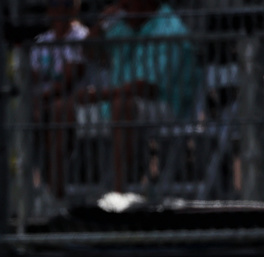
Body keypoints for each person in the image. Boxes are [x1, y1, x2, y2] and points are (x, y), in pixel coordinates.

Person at [51, 0, 199, 196]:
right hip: (116, 102)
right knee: (60, 109)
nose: (122, 8)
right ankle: (56, 197)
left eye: (127, 4)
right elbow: (88, 51)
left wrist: (99, 95)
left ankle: (118, 195)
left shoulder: (171, 28)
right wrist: (102, 23)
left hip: (165, 107)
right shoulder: (123, 23)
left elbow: (148, 87)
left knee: (122, 106)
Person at [32, 0, 90, 199]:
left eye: (64, 5)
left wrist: (40, 97)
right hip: (44, 102)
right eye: (53, 5)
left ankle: (55, 192)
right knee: (20, 113)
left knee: (57, 110)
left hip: (79, 103)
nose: (58, 10)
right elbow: (29, 77)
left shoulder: (82, 37)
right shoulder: (42, 41)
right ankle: (25, 190)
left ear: (74, 8)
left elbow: (69, 79)